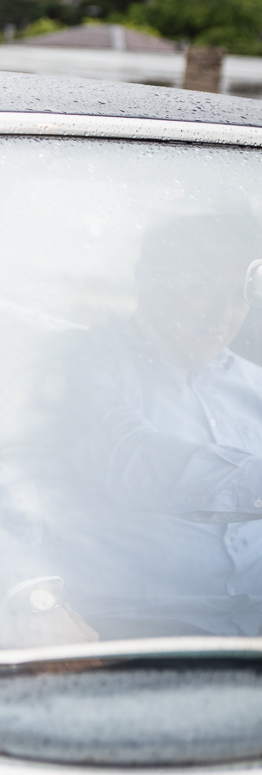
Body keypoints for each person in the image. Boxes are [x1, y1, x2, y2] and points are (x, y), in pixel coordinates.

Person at [28, 213, 262, 638]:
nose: (222, 313)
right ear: (150, 277)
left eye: (238, 294)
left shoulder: (256, 386)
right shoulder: (84, 362)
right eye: (200, 286)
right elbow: (130, 457)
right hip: (133, 646)